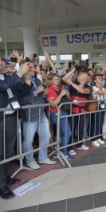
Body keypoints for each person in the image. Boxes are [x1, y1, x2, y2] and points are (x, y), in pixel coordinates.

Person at [0, 58, 31, 199]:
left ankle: (4, 177)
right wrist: (19, 72)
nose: (3, 64)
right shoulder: (7, 79)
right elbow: (3, 86)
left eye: (3, 62)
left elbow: (23, 90)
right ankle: (1, 186)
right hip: (1, 119)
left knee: (8, 152)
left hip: (11, 117)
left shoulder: (8, 77)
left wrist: (27, 76)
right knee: (0, 154)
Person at [19, 60, 56, 170]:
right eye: (30, 68)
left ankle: (43, 157)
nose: (33, 69)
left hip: (41, 112)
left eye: (34, 67)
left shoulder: (37, 80)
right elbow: (22, 100)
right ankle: (30, 160)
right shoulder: (19, 81)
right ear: (23, 68)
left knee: (46, 136)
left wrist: (43, 94)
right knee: (28, 140)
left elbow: (41, 96)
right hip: (29, 114)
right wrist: (36, 92)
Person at [62, 68, 92, 153]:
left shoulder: (88, 87)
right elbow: (64, 79)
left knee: (81, 129)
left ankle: (80, 144)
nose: (77, 76)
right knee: (71, 129)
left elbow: (82, 91)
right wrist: (73, 70)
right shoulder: (74, 84)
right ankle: (69, 148)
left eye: (79, 75)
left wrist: (71, 82)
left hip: (82, 111)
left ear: (83, 78)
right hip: (72, 110)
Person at [46, 73, 73, 159]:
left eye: (58, 79)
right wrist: (61, 95)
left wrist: (67, 94)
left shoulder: (60, 88)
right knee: (68, 133)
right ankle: (64, 153)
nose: (58, 81)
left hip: (63, 111)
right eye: (55, 79)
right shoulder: (49, 90)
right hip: (56, 113)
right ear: (50, 81)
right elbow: (53, 105)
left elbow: (68, 99)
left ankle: (56, 151)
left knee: (60, 133)